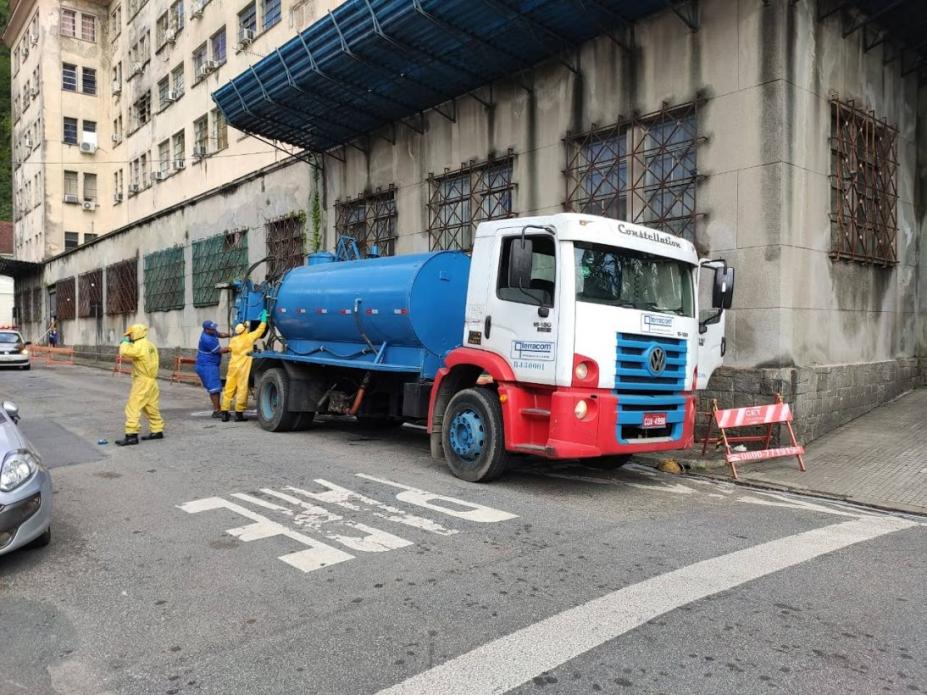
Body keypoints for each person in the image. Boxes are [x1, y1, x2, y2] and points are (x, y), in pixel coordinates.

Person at [115, 324, 164, 446]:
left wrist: (125, 342)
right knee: (151, 406)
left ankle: (131, 435)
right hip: (152, 380)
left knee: (133, 407)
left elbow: (124, 352)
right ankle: (157, 430)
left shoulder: (139, 345)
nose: (129, 336)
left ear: (136, 333)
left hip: (142, 381)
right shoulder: (150, 344)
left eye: (130, 334)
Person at [220, 311, 267, 422]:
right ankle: (238, 414)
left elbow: (229, 349)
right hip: (243, 368)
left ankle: (224, 413)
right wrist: (264, 320)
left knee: (229, 389)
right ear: (245, 330)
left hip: (233, 367)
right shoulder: (249, 338)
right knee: (242, 389)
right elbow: (260, 330)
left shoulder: (234, 340)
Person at [195, 320, 229, 417]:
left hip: (210, 365)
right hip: (206, 366)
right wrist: (233, 347)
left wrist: (231, 335)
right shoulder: (207, 339)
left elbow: (220, 334)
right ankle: (217, 411)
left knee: (216, 388)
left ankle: (217, 409)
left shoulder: (212, 332)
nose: (214, 330)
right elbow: (220, 350)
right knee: (214, 389)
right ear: (206, 329)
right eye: (212, 328)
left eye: (214, 327)